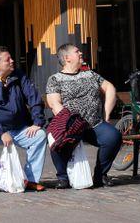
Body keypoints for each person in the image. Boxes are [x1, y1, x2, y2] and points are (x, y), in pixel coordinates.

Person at [0, 47, 47, 194]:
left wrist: (37, 122)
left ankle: (30, 180)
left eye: (11, 58)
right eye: (7, 60)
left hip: (17, 128)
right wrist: (1, 132)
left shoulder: (19, 77)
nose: (12, 61)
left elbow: (34, 98)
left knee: (40, 136)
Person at [45, 43, 121, 189]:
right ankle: (63, 177)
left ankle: (100, 176)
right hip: (71, 126)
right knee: (55, 139)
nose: (80, 53)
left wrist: (105, 114)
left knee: (113, 137)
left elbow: (109, 88)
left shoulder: (90, 74)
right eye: (76, 52)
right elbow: (54, 103)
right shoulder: (55, 79)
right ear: (67, 58)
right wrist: (70, 122)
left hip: (94, 124)